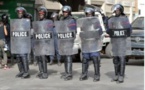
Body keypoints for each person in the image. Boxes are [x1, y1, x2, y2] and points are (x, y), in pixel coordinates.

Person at [107, 4, 132, 83]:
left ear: (121, 11)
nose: (116, 12)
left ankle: (121, 75)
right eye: (115, 10)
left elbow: (129, 30)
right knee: (115, 59)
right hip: (115, 42)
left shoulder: (124, 19)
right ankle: (116, 74)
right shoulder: (111, 19)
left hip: (122, 42)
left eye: (118, 10)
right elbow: (109, 30)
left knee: (121, 58)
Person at [78, 7, 103, 82]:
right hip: (86, 44)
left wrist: (95, 34)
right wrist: (82, 34)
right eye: (87, 14)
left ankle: (96, 75)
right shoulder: (83, 22)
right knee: (85, 60)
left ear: (92, 14)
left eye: (90, 14)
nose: (88, 15)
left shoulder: (96, 22)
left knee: (95, 59)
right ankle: (84, 74)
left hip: (94, 44)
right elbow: (80, 32)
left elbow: (100, 31)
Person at [59, 5, 77, 80]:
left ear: (69, 12)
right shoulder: (62, 19)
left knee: (69, 57)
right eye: (63, 12)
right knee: (65, 57)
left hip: (69, 40)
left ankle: (69, 74)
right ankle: (66, 72)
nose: (64, 13)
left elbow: (73, 30)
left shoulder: (72, 20)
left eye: (66, 12)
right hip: (63, 40)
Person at [14, 7, 30, 78]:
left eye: (21, 13)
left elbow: (29, 31)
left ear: (23, 13)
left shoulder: (26, 21)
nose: (19, 14)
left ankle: (26, 72)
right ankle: (21, 71)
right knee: (18, 58)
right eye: (18, 13)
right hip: (17, 42)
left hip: (24, 42)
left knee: (23, 57)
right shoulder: (15, 21)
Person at [35, 6, 49, 79]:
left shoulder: (47, 22)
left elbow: (50, 33)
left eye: (42, 14)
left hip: (44, 43)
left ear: (45, 14)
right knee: (39, 58)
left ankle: (45, 73)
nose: (40, 15)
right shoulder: (37, 23)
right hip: (38, 43)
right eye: (39, 14)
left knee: (43, 58)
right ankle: (41, 72)